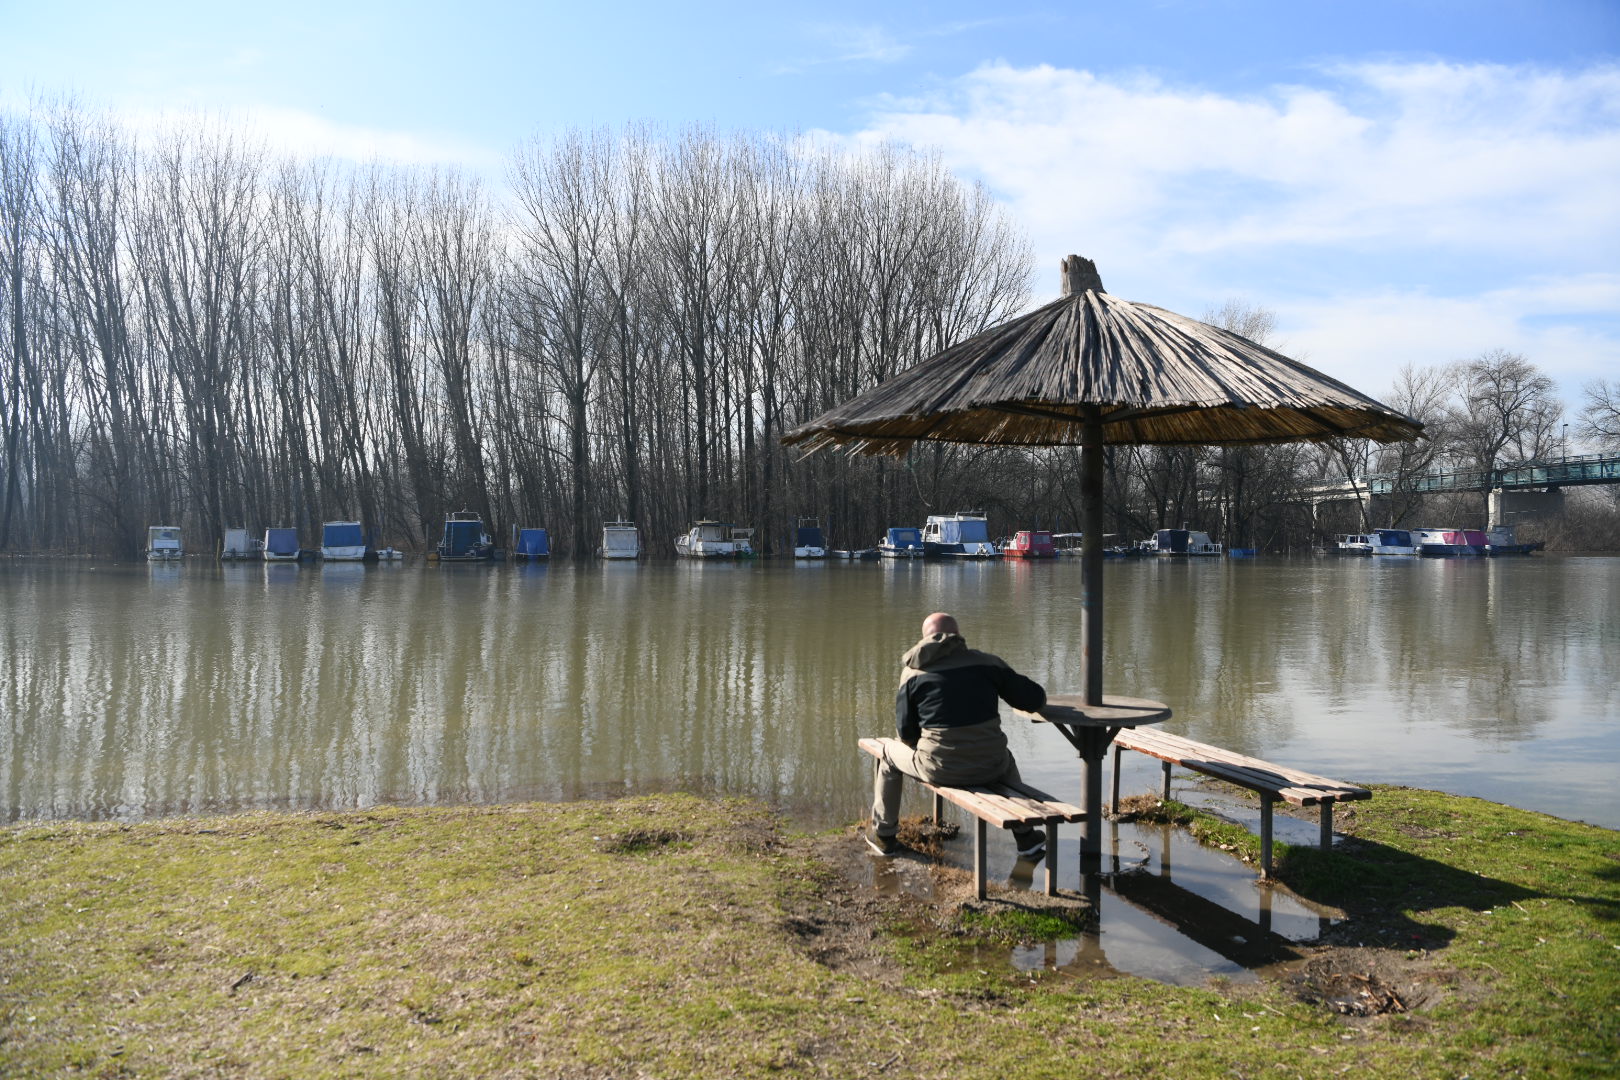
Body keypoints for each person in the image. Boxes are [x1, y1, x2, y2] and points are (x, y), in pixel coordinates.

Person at [867, 611, 1048, 859]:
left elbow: (906, 734)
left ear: (924, 639)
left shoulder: (913, 674)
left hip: (938, 769)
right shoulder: (988, 664)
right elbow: (1034, 699)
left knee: (887, 755)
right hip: (991, 766)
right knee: (1003, 753)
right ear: (958, 636)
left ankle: (884, 836)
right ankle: (1025, 836)